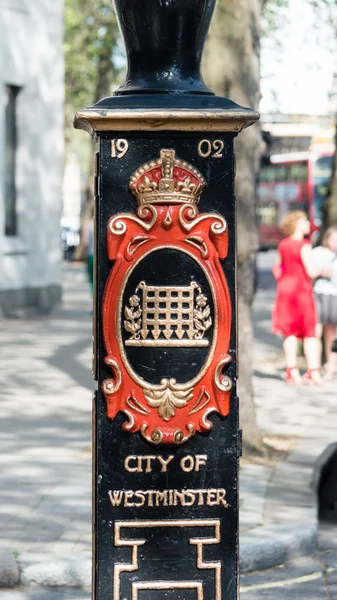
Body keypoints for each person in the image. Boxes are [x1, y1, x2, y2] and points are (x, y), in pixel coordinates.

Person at [272, 211, 322, 385]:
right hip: (301, 291)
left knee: (289, 332)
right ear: (297, 224)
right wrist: (322, 270)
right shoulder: (304, 245)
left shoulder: (283, 245)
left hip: (285, 291)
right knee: (310, 332)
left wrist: (284, 280)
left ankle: (292, 370)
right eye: (305, 220)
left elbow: (277, 268)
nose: (308, 223)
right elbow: (311, 271)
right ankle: (313, 371)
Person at [312, 227, 337, 379]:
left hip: (335, 295)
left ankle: (331, 365)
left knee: (333, 333)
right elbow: (309, 270)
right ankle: (314, 366)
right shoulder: (317, 253)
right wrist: (320, 272)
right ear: (326, 239)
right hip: (319, 293)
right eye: (333, 239)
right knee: (317, 330)